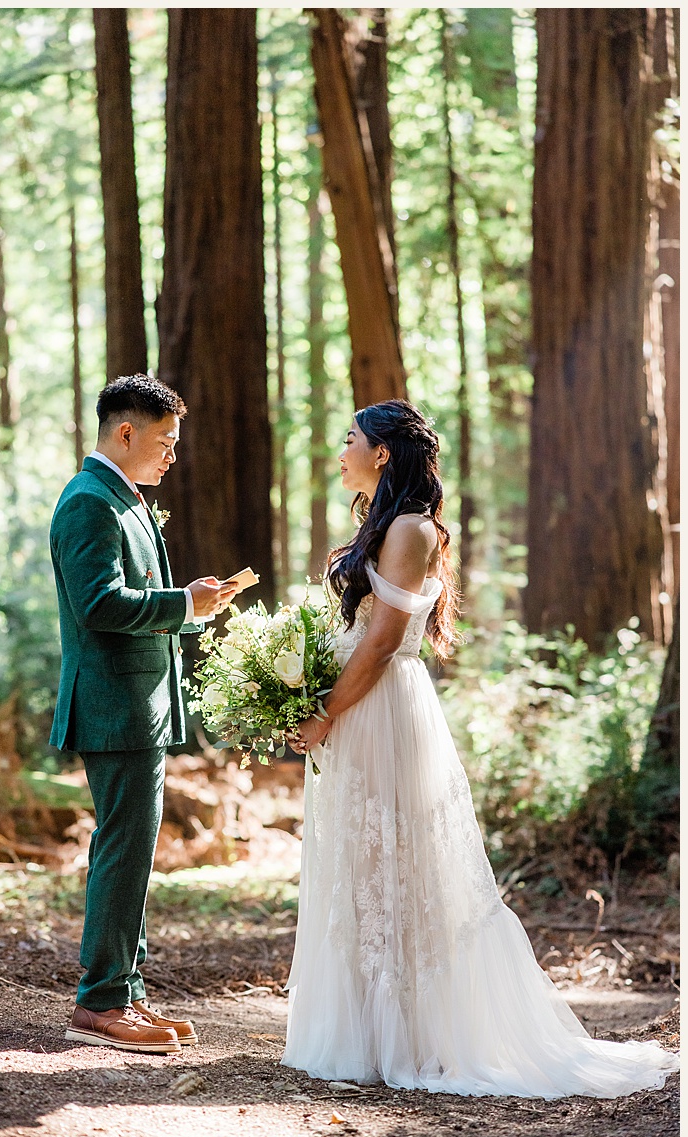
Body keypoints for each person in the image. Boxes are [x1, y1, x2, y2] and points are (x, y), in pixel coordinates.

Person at [282, 399, 677, 1097]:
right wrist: (298, 688)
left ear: (381, 454)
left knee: (398, 861)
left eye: (350, 438)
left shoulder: (410, 529)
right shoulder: (376, 522)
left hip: (382, 710)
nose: (340, 449)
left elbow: (379, 644)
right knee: (360, 860)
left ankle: (416, 1031)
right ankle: (367, 1028)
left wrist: (326, 714)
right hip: (356, 703)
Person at [46, 373, 236, 1055]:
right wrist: (183, 605)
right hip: (112, 706)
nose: (172, 456)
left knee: (134, 851)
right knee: (123, 850)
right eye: (165, 441)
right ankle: (100, 1002)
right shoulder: (87, 503)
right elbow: (98, 604)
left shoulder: (123, 500)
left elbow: (140, 598)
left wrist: (191, 604)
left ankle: (126, 990)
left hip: (141, 704)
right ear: (126, 433)